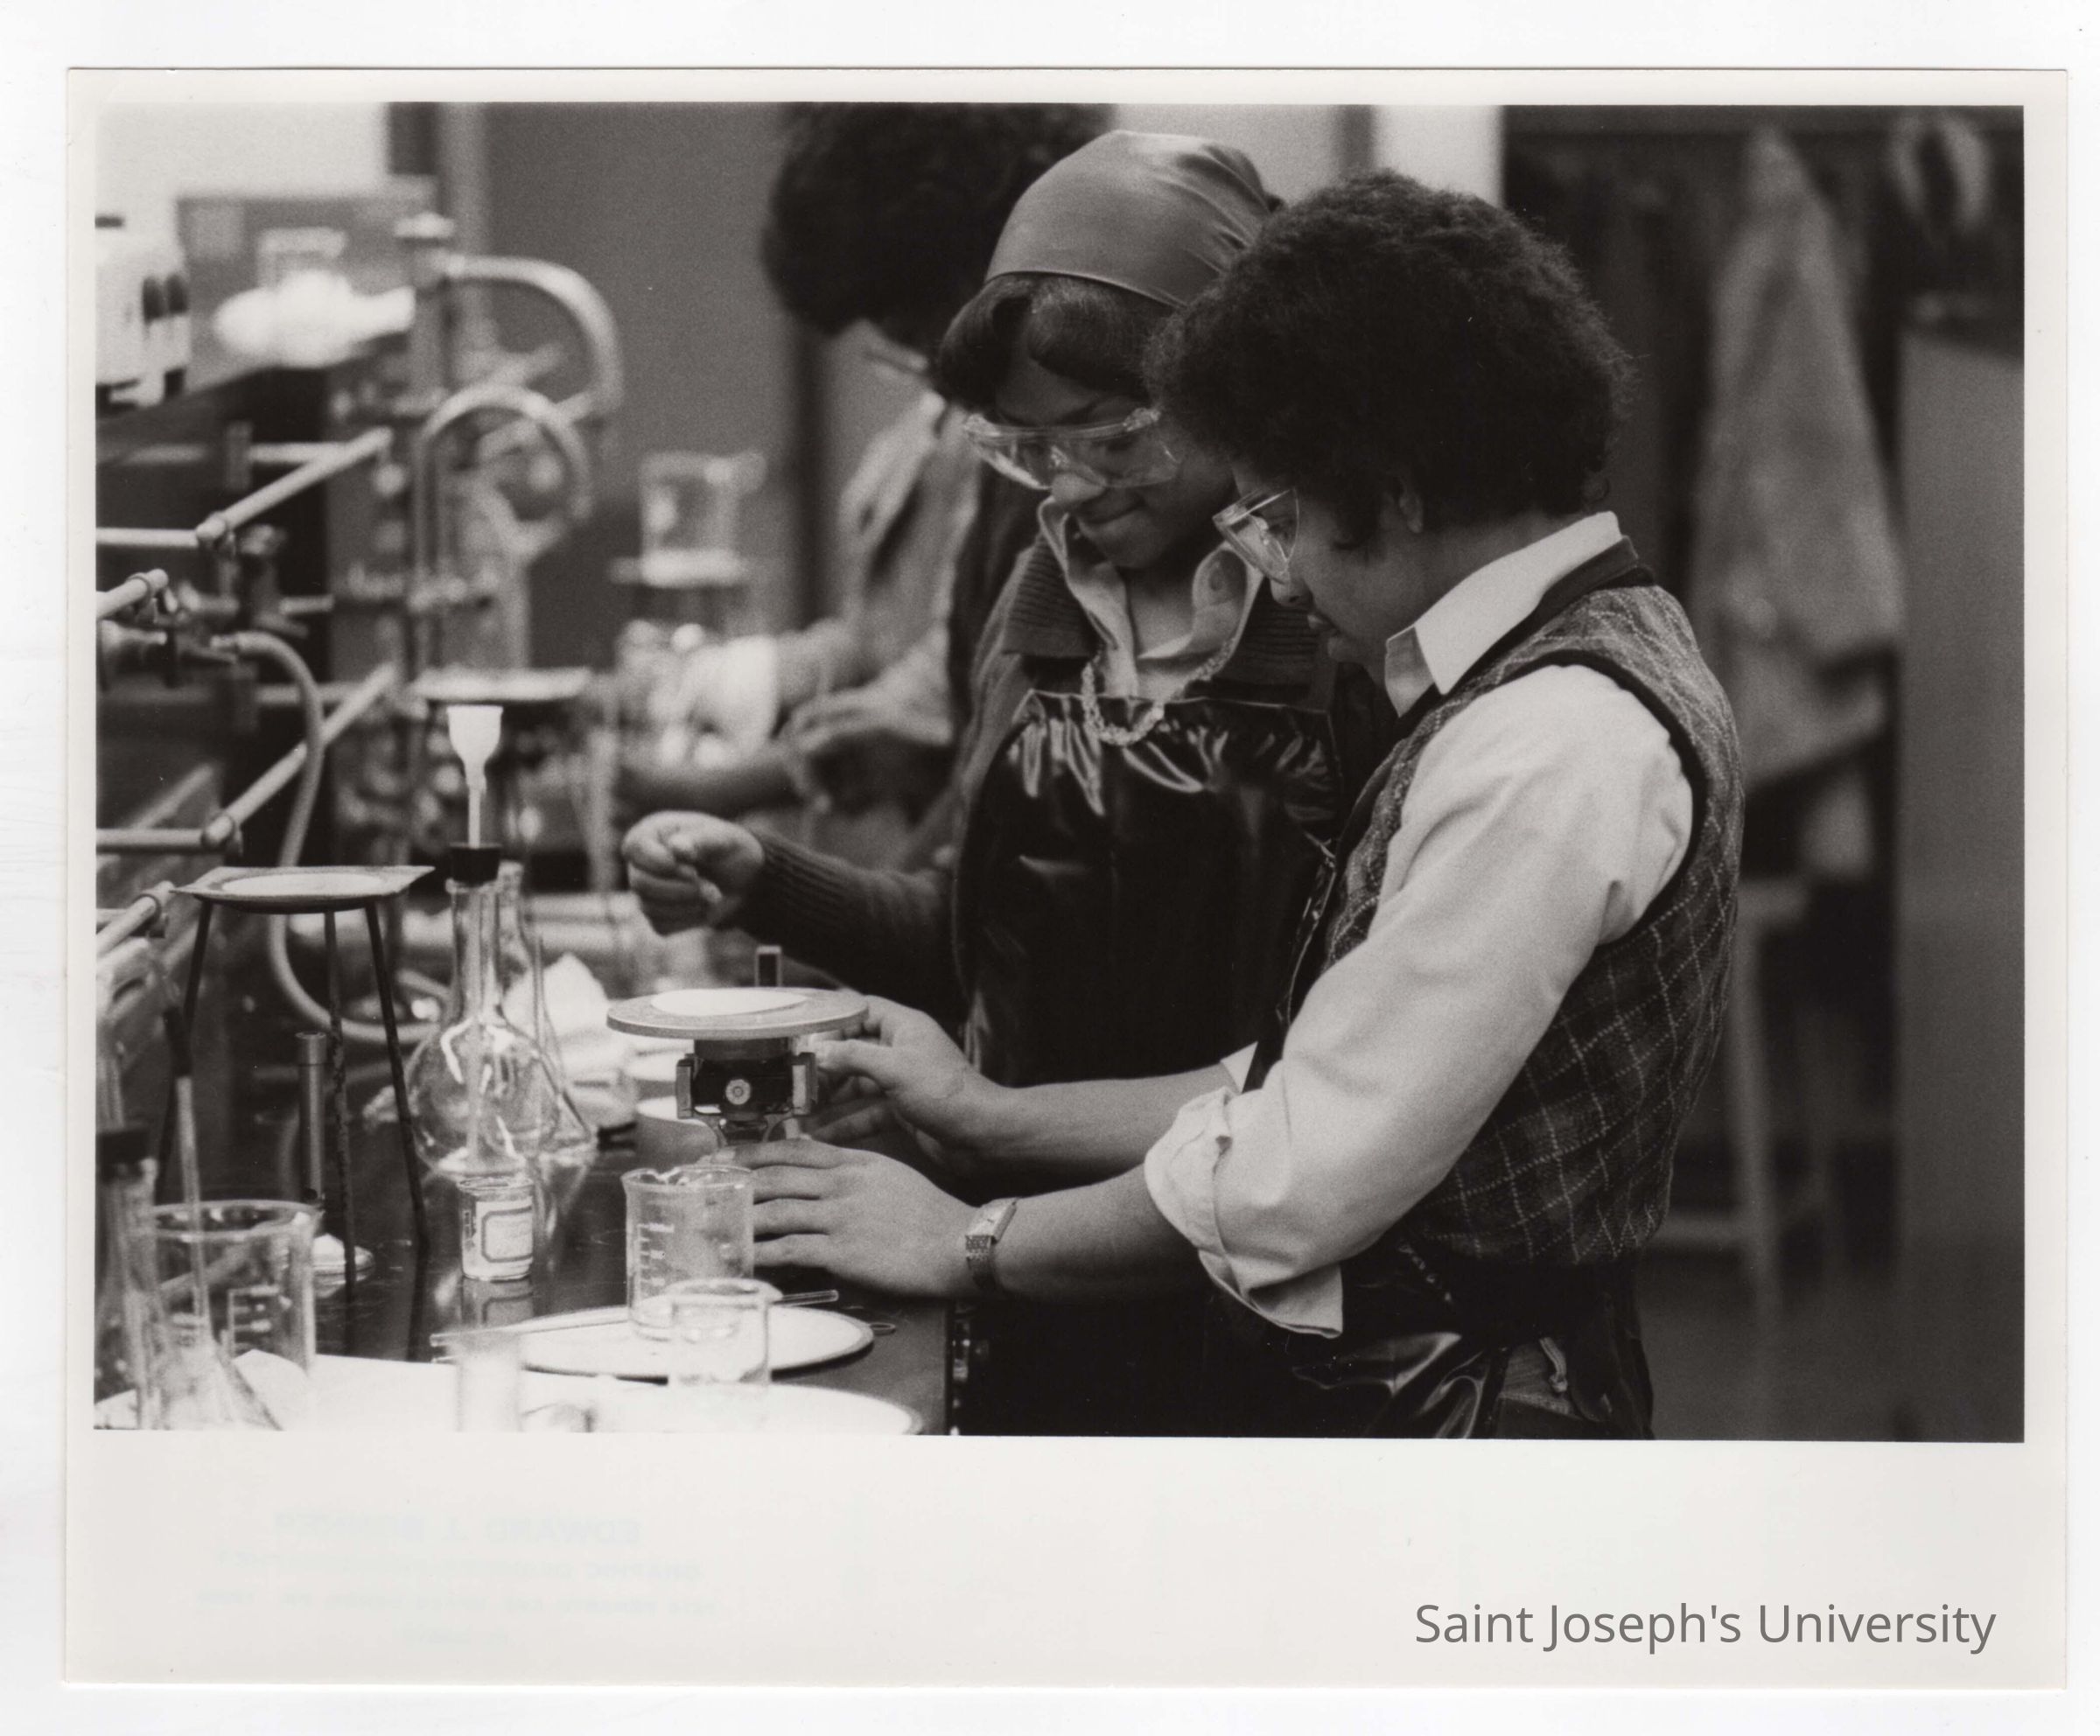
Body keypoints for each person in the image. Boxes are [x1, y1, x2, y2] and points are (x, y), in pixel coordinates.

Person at [743, 170, 1746, 1439]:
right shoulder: (1539, 670)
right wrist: (989, 1116)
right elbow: (1302, 1072)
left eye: (1283, 518)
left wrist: (965, 1238)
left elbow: (1299, 1168)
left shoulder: (1544, 745)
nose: (1282, 572)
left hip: (1465, 1423)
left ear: (1394, 492)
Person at [624, 133, 1395, 1433]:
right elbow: (978, 934)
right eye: (1030, 451)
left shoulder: (1345, 629)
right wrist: (765, 881)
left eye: (1112, 438)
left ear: (1240, 382)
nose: (1073, 487)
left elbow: (1345, 1084)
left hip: (1266, 1288)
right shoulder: (1044, 600)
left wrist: (992, 1125)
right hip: (1013, 1253)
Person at [613, 103, 1096, 859]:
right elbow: (884, 636)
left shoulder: (1026, 452)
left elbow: (964, 689)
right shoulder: (937, 428)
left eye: (914, 332)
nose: (925, 365)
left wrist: (735, 788)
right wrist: (756, 678)